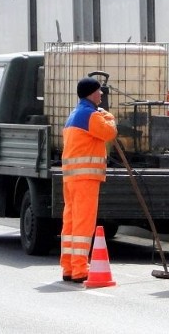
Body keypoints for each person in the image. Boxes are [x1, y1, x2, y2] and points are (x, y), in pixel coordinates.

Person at [60, 77, 118, 283]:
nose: (102, 94)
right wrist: (109, 116)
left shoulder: (74, 115)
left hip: (71, 178)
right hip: (86, 177)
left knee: (71, 222)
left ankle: (68, 266)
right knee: (84, 223)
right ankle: (79, 269)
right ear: (91, 94)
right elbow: (109, 132)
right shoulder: (91, 115)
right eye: (99, 91)